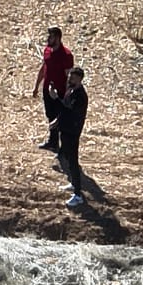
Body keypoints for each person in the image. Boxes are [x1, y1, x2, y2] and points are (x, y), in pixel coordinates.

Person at [50, 67, 89, 208]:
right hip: (65, 129)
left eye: (73, 77)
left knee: (73, 161)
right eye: (70, 77)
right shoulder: (70, 91)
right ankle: (74, 184)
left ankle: (78, 195)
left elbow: (68, 111)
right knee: (68, 158)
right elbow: (64, 109)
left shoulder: (80, 96)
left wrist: (55, 98)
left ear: (79, 79)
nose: (69, 79)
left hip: (72, 131)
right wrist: (57, 121)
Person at [32, 26, 74, 151]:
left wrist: (68, 93)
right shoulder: (47, 51)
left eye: (51, 36)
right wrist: (36, 86)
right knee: (50, 115)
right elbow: (43, 68)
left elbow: (69, 76)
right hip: (47, 89)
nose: (48, 39)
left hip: (60, 91)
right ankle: (53, 141)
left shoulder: (66, 55)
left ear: (58, 38)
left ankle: (65, 146)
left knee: (61, 118)